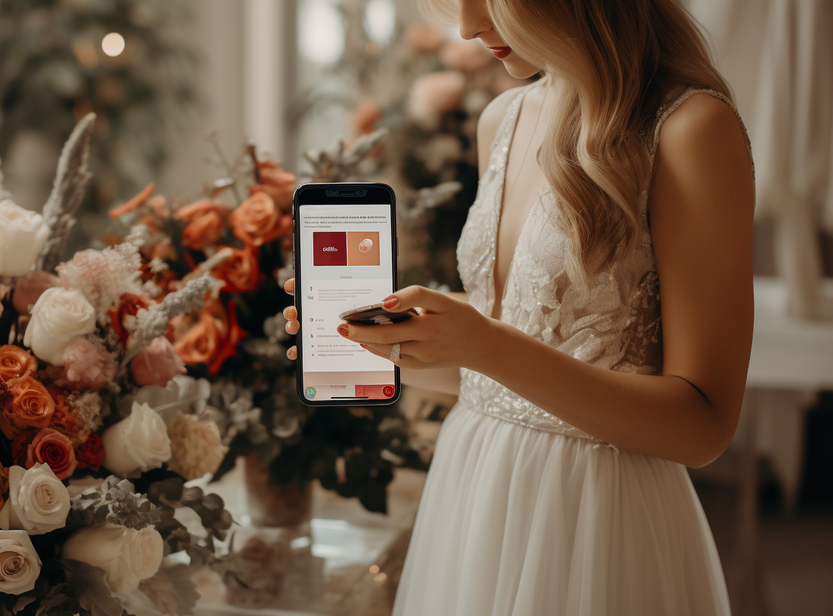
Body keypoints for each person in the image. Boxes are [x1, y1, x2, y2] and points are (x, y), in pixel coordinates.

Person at [283, 0, 754, 613]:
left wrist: (485, 343)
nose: (469, 26)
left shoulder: (689, 128)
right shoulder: (502, 117)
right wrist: (385, 343)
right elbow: (500, 372)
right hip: (472, 491)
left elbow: (704, 426)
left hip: (597, 521)